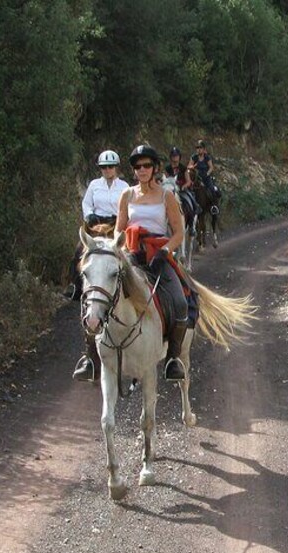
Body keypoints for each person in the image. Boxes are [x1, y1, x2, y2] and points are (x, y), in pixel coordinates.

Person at [117, 144, 189, 381]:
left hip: (158, 255)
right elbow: (119, 230)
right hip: (132, 255)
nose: (142, 170)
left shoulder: (166, 195)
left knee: (179, 302)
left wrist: (165, 251)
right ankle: (93, 356)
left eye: (147, 165)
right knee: (100, 294)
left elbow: (178, 233)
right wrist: (121, 253)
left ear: (155, 168)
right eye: (138, 166)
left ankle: (173, 358)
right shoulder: (126, 196)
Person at [64, 150, 128, 301]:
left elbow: (128, 207)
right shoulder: (94, 185)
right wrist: (89, 215)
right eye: (104, 167)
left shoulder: (124, 186)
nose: (107, 170)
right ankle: (76, 286)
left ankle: (127, 287)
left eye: (110, 167)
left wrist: (121, 219)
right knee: (79, 250)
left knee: (125, 253)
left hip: (115, 225)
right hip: (96, 224)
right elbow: (86, 203)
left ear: (116, 167)